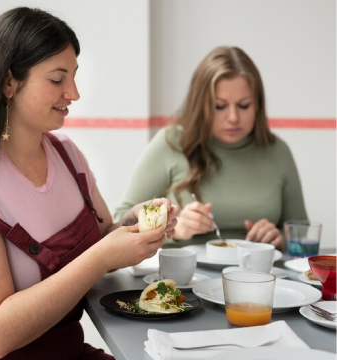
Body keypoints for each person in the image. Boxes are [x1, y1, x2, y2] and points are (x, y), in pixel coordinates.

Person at [0, 7, 177, 360]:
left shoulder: (66, 155)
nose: (73, 93)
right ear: (8, 82)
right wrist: (103, 257)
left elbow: (103, 240)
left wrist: (133, 228)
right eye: (57, 80)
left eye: (74, 76)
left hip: (60, 349)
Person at [114, 46, 307, 250]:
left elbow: (302, 236)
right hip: (185, 280)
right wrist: (173, 231)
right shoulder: (170, 143)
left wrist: (280, 241)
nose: (233, 117)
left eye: (243, 105)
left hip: (259, 278)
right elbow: (119, 225)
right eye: (219, 106)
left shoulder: (277, 151)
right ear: (200, 105)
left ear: (258, 105)